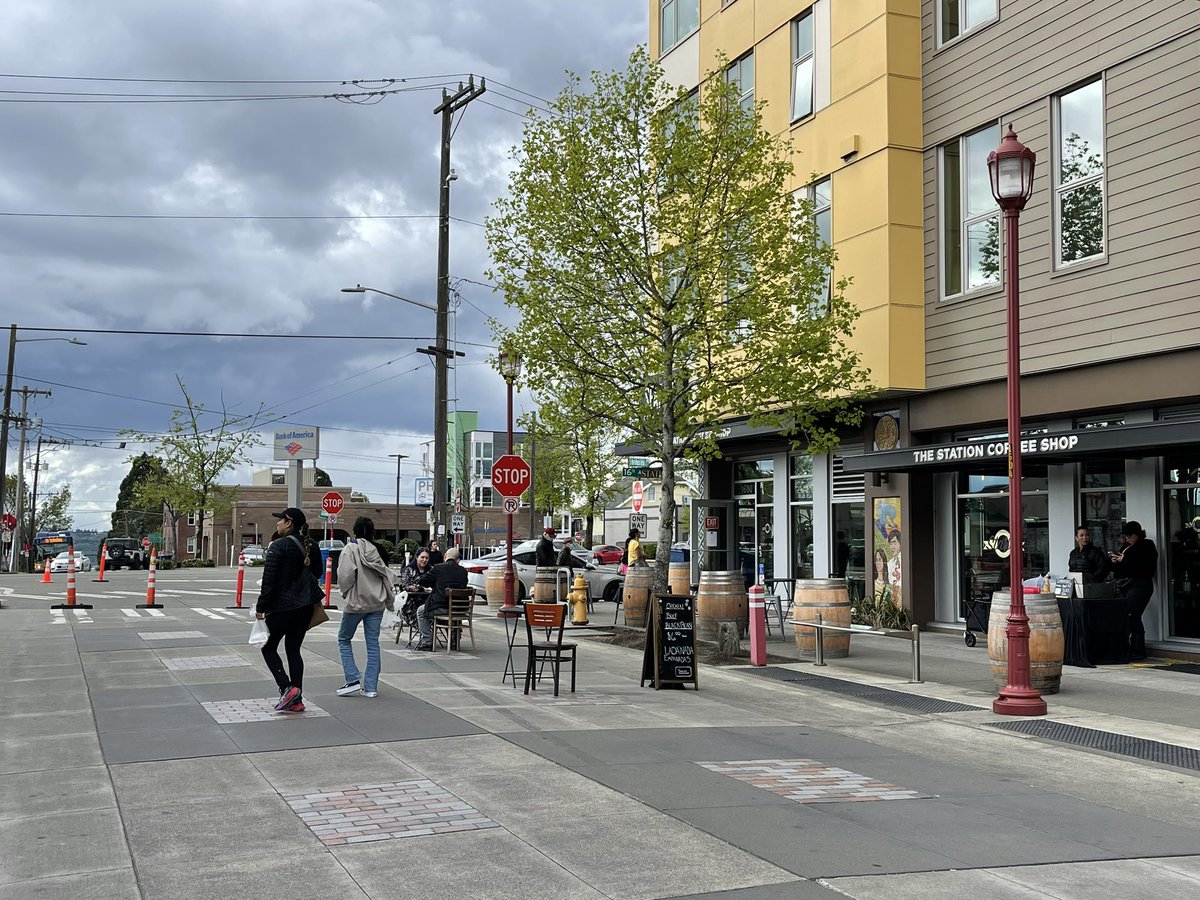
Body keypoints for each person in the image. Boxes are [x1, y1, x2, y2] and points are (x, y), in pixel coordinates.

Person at [256, 507, 324, 712]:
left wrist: (261, 608)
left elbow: (269, 581)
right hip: (304, 608)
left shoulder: (278, 546)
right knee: (293, 650)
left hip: (281, 608)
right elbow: (318, 572)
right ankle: (297, 698)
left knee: (268, 647)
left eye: (280, 520)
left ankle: (286, 688)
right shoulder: (311, 545)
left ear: (289, 522)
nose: (277, 523)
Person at [335, 517, 394, 698]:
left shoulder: (350, 549)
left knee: (344, 639)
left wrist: (346, 593)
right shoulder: (380, 551)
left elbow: (345, 576)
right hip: (377, 603)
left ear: (354, 531)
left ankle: (352, 679)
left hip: (356, 603)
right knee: (373, 644)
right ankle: (371, 687)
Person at [1110, 520, 1158, 661]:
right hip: (1127, 583)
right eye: (1125, 536)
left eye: (1129, 536)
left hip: (1141, 583)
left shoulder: (1147, 545)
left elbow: (1145, 566)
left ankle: (1138, 649)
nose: (1127, 539)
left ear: (1137, 534)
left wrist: (1125, 559)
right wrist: (1115, 561)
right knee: (1126, 615)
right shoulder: (1126, 547)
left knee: (1133, 615)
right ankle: (1129, 647)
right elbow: (1122, 567)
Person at [414, 546, 468, 651]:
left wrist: (434, 583)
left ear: (445, 556)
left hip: (441, 607)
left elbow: (422, 581)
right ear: (458, 560)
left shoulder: (438, 568)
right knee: (450, 613)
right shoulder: (463, 571)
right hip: (460, 609)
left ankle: (427, 641)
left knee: (421, 611)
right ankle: (454, 639)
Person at [886, 530, 903, 608]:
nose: (892, 546)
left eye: (894, 542)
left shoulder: (904, 560)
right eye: (891, 543)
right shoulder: (890, 563)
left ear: (900, 543)